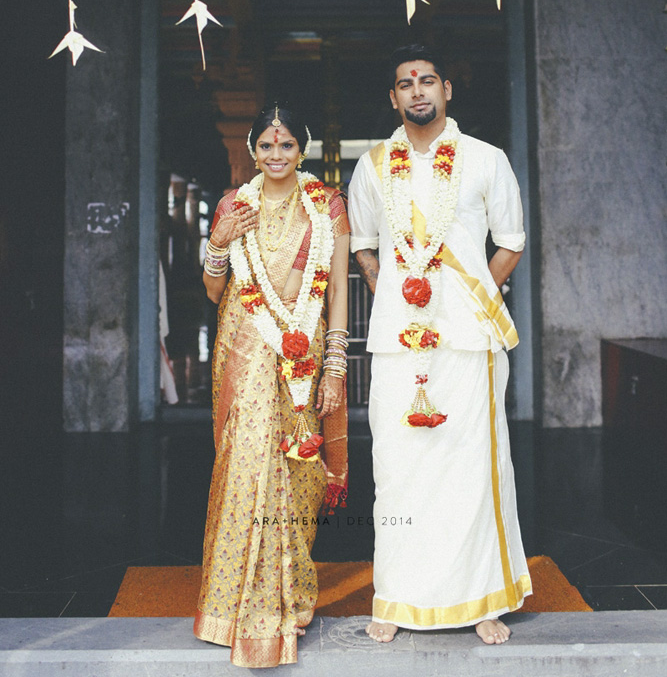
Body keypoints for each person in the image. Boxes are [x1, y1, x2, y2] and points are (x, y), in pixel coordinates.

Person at [348, 45, 532, 647]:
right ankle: (397, 594)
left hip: (469, 338)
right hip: (400, 343)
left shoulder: (485, 159)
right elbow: (363, 246)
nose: (418, 91)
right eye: (406, 84)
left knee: (473, 467)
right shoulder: (373, 166)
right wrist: (394, 289)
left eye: (428, 81)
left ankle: (483, 596)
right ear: (393, 98)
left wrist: (470, 291)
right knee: (398, 470)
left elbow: (510, 242)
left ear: (447, 89)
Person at [194, 104, 350, 668]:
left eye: (286, 146)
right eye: (266, 146)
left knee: (298, 468)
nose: (276, 155)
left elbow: (335, 293)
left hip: (303, 347)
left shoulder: (327, 204)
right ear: (254, 151)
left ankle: (290, 595)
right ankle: (233, 607)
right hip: (243, 342)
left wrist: (335, 365)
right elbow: (214, 291)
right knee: (247, 460)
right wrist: (220, 240)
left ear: (301, 149)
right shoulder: (234, 204)